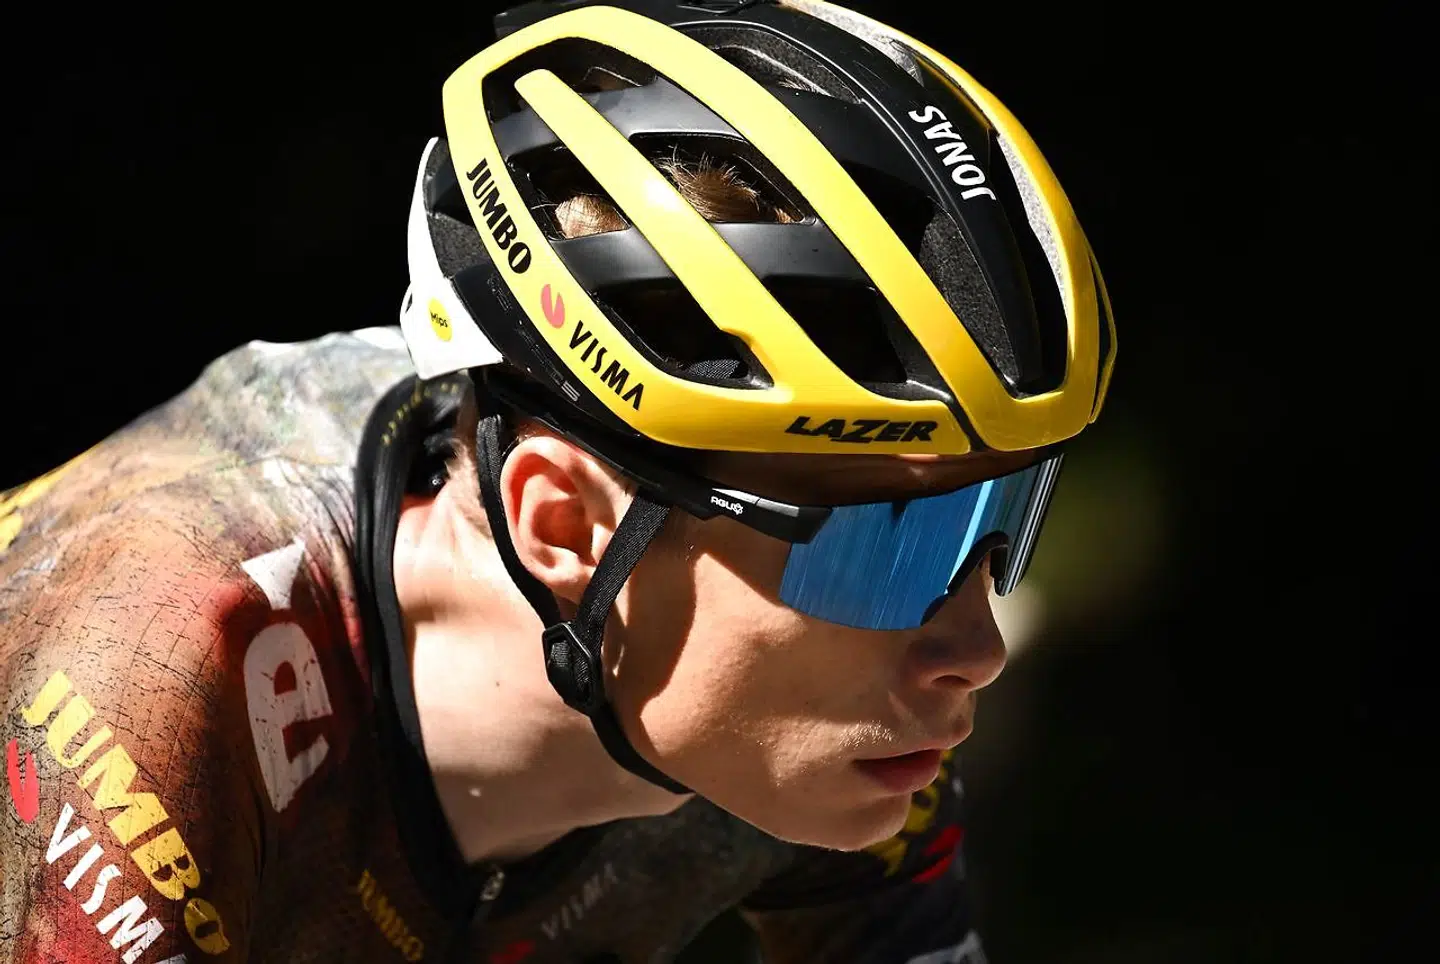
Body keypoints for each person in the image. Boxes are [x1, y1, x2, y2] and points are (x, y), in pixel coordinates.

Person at [0, 1, 1114, 961]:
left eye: (991, 522)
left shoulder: (808, 720)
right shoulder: (155, 675)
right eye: (889, 550)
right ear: (566, 524)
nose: (976, 645)